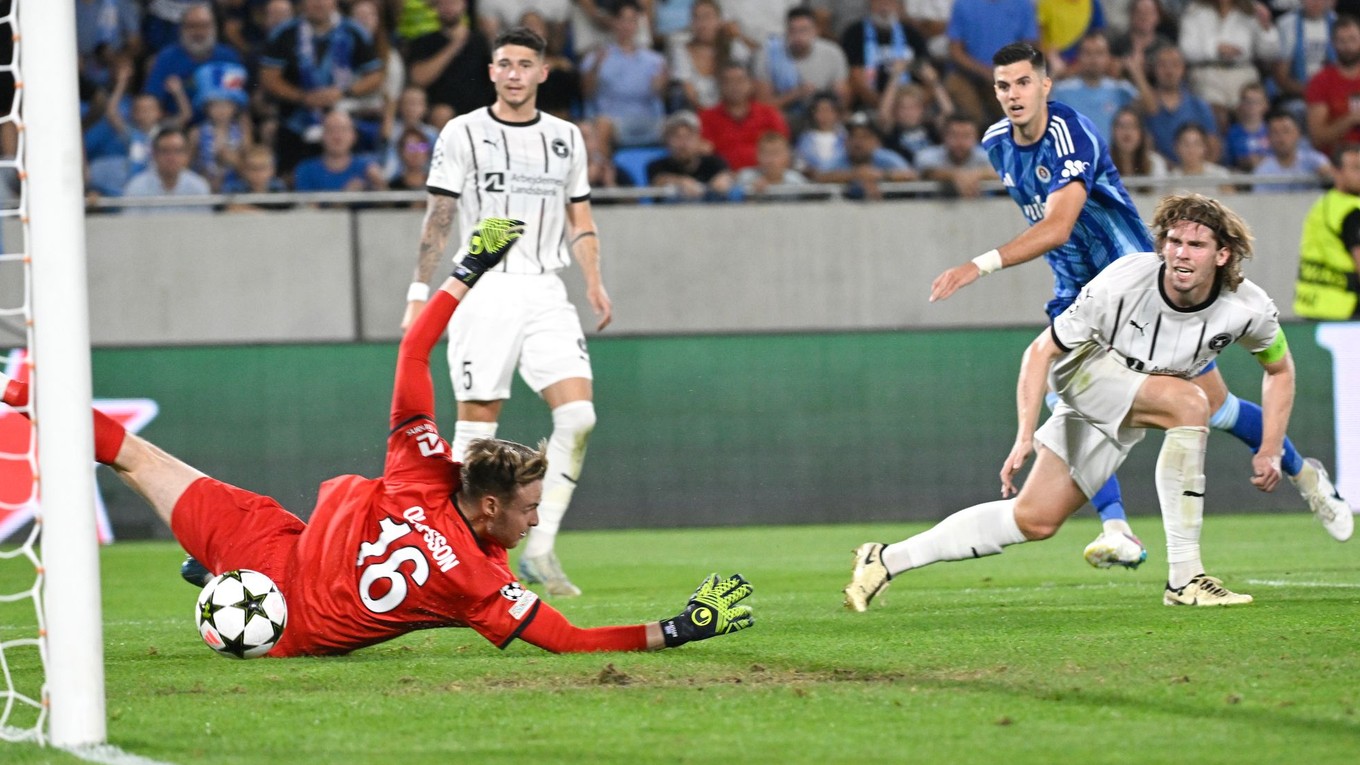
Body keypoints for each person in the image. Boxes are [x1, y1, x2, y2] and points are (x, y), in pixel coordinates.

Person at [27, 220, 754, 657]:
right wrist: (680, 627)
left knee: (134, 457)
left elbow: (411, 354)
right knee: (140, 463)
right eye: (531, 508)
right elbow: (568, 641)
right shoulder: (483, 583)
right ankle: (219, 578)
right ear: (493, 507)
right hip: (291, 623)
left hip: (273, 549)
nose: (537, 517)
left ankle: (22, 389)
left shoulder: (421, 464)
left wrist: (467, 269)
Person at [927, 43, 1352, 568]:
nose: (1012, 95)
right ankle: (1118, 528)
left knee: (1216, 408)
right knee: (1072, 399)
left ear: (1044, 86)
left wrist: (979, 265)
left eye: (1021, 83)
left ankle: (1305, 476)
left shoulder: (1069, 132)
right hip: (1076, 292)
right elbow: (1056, 234)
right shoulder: (996, 143)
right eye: (1002, 85)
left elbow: (1059, 224)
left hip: (1139, 287)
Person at [846, 193, 1332, 612]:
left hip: (1133, 399)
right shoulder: (1126, 280)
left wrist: (1270, 446)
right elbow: (1041, 351)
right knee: (1191, 402)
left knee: (1034, 520)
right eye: (1174, 242)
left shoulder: (1248, 309)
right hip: (1086, 372)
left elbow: (1280, 370)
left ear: (1222, 255)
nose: (1181, 254)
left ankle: (885, 559)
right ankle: (1186, 578)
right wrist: (1023, 436)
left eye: (1196, 245)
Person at [400, 27, 613, 598]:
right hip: (484, 288)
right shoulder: (463, 132)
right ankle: (452, 556)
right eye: (505, 64)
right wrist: (419, 294)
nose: (515, 73)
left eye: (525, 63)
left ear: (543, 72)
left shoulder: (566, 138)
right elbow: (439, 215)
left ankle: (540, 551)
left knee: (579, 418)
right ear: (492, 72)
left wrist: (593, 281)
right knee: (474, 436)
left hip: (546, 287)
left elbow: (580, 216)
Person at [1295, 143, 1360, 320]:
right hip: (1346, 308)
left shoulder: (1323, 204)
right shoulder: (1353, 212)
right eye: (1355, 168)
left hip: (1312, 303)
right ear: (1336, 172)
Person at [645, 110, 738, 201]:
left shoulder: (715, 162)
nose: (683, 143)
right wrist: (680, 182)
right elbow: (658, 180)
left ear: (699, 140)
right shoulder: (656, 166)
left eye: (688, 137)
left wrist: (724, 180)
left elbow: (727, 175)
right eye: (677, 137)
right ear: (666, 141)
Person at [121, 127, 213, 214]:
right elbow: (131, 228)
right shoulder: (136, 187)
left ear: (186, 155)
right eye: (165, 151)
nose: (171, 158)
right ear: (154, 155)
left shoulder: (198, 186)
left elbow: (203, 227)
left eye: (177, 151)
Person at [1304, 14, 1360, 155]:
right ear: (1333, 43)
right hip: (1335, 159)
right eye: (1342, 41)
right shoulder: (1320, 80)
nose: (1348, 46)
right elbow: (1318, 138)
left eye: (1353, 39)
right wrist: (1351, 120)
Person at [1251, 109, 1333, 192]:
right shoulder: (1263, 170)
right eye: (1275, 132)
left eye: (1286, 131)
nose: (1281, 138)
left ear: (1298, 133)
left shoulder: (1314, 160)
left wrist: (1327, 174)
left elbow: (1332, 177)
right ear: (1269, 137)